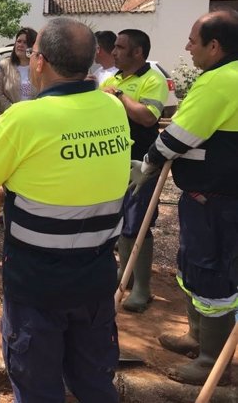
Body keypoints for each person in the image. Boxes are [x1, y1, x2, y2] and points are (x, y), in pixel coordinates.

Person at [0, 17, 131, 403]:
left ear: (40, 62)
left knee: (38, 386)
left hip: (37, 284)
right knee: (94, 383)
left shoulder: (23, 118)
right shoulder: (113, 108)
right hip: (97, 277)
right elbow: (74, 173)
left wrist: (5, 191)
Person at [131, 9, 238, 385]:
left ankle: (212, 361)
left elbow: (177, 137)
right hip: (214, 197)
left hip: (217, 201)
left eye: (193, 40)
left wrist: (150, 161)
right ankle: (196, 336)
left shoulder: (220, 82)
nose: (187, 46)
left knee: (211, 271)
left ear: (214, 45)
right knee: (194, 264)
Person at [101, 29, 168, 313]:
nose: (113, 51)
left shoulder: (153, 79)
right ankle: (123, 275)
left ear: (137, 52)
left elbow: (148, 116)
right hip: (114, 160)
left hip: (142, 162)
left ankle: (142, 287)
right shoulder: (112, 78)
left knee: (137, 222)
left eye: (119, 47)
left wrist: (118, 96)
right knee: (120, 221)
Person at [0, 27, 38, 116]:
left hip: (33, 117)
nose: (21, 45)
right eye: (19, 41)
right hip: (8, 117)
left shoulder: (39, 68)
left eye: (25, 42)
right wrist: (14, 112)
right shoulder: (4, 65)